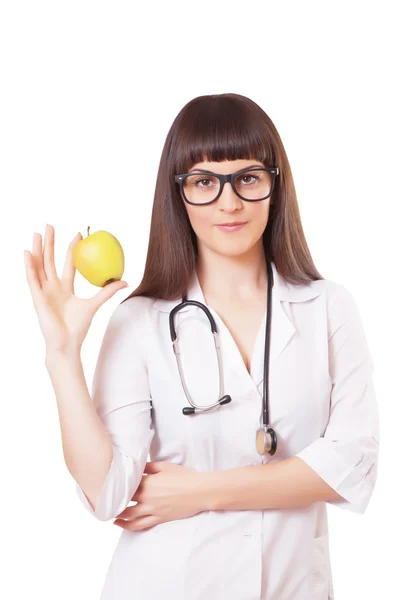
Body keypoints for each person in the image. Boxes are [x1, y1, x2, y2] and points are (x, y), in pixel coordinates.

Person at [24, 93, 380, 600]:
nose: (228, 202)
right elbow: (108, 494)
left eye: (248, 178)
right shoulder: (140, 321)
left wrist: (198, 491)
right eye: (204, 182)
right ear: (179, 194)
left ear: (275, 186)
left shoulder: (328, 308)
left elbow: (351, 465)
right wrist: (62, 355)